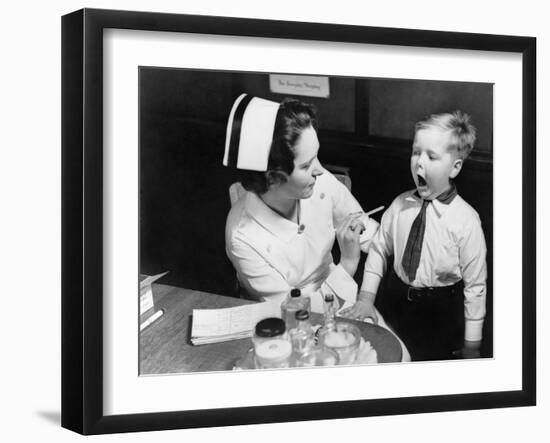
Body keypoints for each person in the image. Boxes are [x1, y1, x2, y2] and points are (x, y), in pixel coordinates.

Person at [341, 111, 487, 361]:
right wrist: (366, 298)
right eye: (416, 152)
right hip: (395, 302)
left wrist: (472, 344)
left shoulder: (467, 221)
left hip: (440, 312)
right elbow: (378, 250)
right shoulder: (398, 206)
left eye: (431, 156)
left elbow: (475, 287)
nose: (419, 162)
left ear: (455, 167)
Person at [223, 93, 379, 314]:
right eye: (306, 166)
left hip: (343, 299)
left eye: (316, 156)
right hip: (287, 324)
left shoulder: (320, 182)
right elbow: (294, 314)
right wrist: (348, 264)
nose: (320, 170)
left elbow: (374, 237)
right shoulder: (242, 237)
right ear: (273, 178)